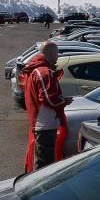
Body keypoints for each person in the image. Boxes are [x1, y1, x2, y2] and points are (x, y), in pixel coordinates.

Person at [23, 41, 72, 171]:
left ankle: (38, 184)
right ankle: (40, 188)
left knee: (42, 157)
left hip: (42, 121)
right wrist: (64, 101)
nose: (57, 56)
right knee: (44, 161)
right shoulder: (44, 72)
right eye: (56, 53)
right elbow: (49, 99)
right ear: (50, 54)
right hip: (45, 123)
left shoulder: (37, 70)